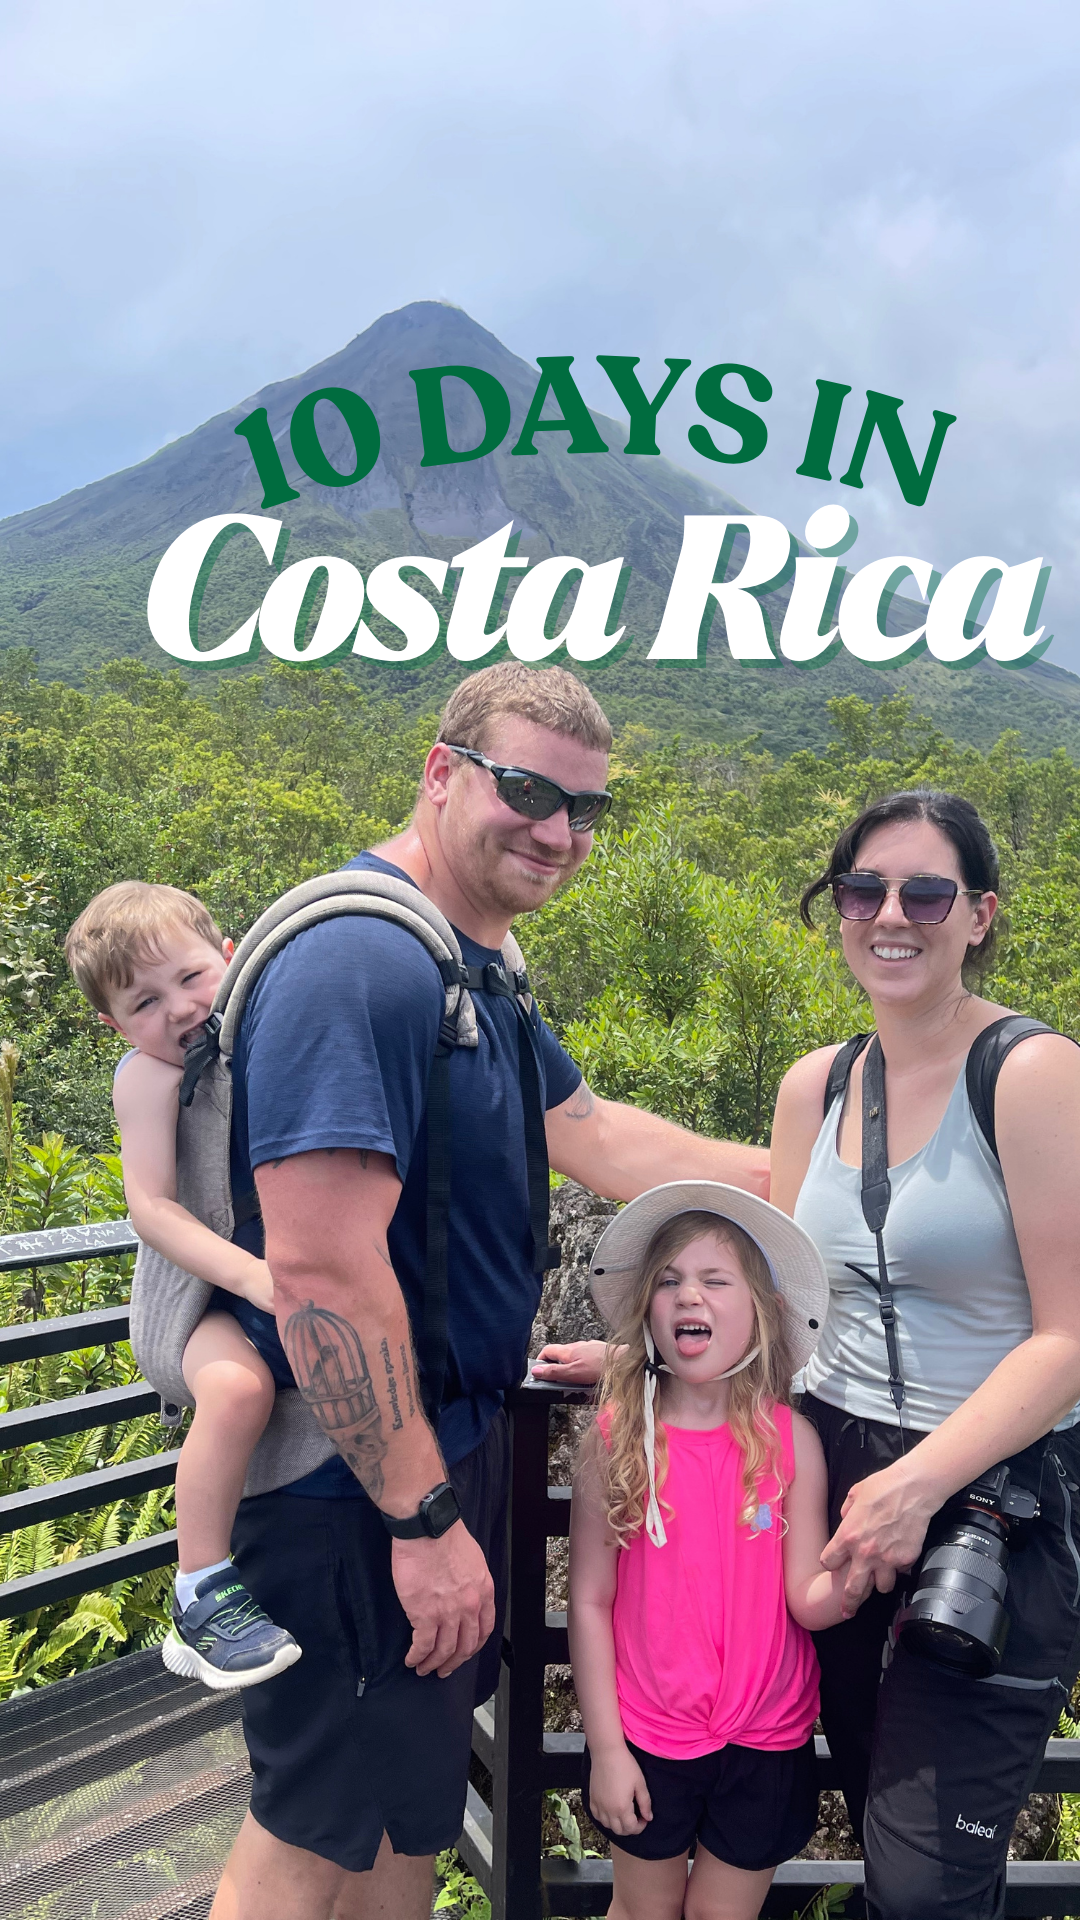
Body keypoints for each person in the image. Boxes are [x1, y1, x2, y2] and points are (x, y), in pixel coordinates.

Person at [193, 662, 770, 1920]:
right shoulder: (366, 961)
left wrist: (821, 1174)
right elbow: (322, 1272)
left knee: (399, 1816)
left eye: (585, 810)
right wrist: (420, 1521)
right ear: (441, 773)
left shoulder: (477, 972)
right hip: (357, 1486)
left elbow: (602, 1134)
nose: (558, 832)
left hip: (427, 1458)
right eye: (525, 790)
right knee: (311, 1828)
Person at [766, 788, 1080, 1920]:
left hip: (995, 1491)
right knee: (872, 1803)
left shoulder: (1033, 1073)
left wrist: (917, 1484)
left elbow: (1070, 1336)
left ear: (980, 914)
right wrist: (640, 1359)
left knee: (922, 1882)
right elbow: (791, 1303)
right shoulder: (819, 1083)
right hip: (842, 1486)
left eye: (926, 892)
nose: (890, 915)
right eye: (864, 888)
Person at [569, 1182, 846, 1920]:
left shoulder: (794, 1443)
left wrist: (855, 1577)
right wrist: (606, 1749)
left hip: (768, 1736)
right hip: (647, 1735)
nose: (689, 1295)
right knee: (642, 1911)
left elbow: (806, 1599)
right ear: (648, 1311)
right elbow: (590, 1601)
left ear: (759, 1309)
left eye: (714, 1279)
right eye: (669, 1280)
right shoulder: (617, 1441)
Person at [65, 882, 302, 1688]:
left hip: (250, 1289)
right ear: (115, 1027)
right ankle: (200, 1590)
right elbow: (151, 1209)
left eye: (192, 977)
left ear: (231, 959)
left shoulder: (259, 1040)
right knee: (237, 1394)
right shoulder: (148, 1079)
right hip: (192, 1300)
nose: (178, 1009)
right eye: (144, 1002)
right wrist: (251, 1275)